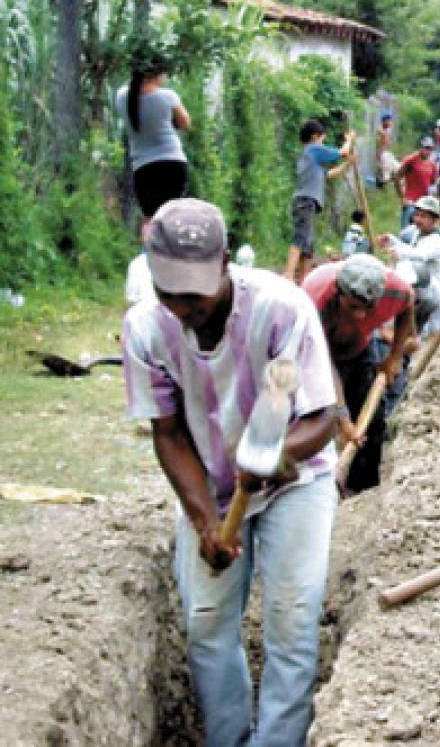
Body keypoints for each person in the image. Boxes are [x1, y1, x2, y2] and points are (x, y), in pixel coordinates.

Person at [122, 198, 339, 747]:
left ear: (223, 264)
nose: (181, 304)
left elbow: (322, 417)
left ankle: (277, 741)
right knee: (205, 624)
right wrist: (204, 523)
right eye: (168, 289)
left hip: (299, 480)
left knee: (292, 619)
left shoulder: (282, 309)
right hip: (210, 484)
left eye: (192, 290)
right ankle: (227, 738)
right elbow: (168, 433)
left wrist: (269, 459)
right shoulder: (146, 328)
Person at [301, 254, 414, 495]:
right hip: (317, 354)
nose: (361, 315)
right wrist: (342, 417)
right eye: (353, 307)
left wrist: (393, 357)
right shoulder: (314, 300)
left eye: (368, 309)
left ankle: (365, 488)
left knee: (372, 419)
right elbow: (323, 363)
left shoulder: (394, 289)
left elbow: (408, 304)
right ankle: (323, 486)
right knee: (325, 418)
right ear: (338, 294)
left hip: (360, 346)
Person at [115, 51, 191, 224]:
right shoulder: (168, 97)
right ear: (155, 74)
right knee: (173, 219)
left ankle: (149, 250)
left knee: (150, 221)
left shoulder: (121, 97)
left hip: (143, 167)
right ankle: (173, 250)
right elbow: (185, 123)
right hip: (173, 165)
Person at [284, 120, 355, 282]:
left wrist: (347, 165)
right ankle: (288, 275)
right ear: (315, 137)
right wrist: (349, 140)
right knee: (300, 238)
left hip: (304, 202)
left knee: (307, 245)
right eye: (323, 138)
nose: (323, 142)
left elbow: (328, 174)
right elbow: (342, 152)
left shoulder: (309, 157)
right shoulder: (314, 149)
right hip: (306, 201)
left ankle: (305, 279)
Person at [394, 136, 438, 230]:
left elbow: (433, 185)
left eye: (430, 149)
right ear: (421, 148)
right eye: (426, 148)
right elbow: (397, 177)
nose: (427, 151)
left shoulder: (432, 165)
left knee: (422, 232)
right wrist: (403, 197)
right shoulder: (411, 160)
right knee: (406, 231)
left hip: (424, 204)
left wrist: (433, 201)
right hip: (411, 202)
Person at [374, 112, 398, 188]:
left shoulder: (386, 130)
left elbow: (388, 143)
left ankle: (384, 182)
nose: (391, 122)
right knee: (385, 176)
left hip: (386, 154)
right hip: (382, 155)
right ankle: (381, 185)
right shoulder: (381, 131)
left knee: (396, 169)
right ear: (384, 121)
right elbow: (381, 145)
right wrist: (379, 158)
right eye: (389, 120)